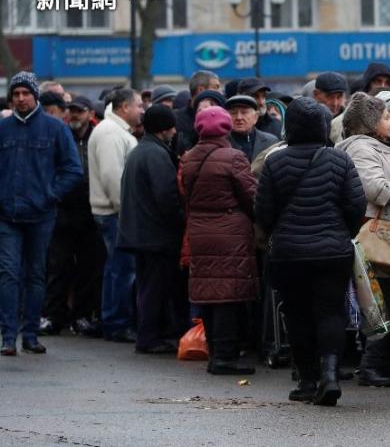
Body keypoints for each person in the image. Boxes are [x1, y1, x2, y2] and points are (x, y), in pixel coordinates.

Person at [256, 98, 366, 406]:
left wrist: (276, 232)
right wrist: (343, 232)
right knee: (331, 312)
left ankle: (306, 380)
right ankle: (330, 374)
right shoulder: (340, 160)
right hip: (333, 251)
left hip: (289, 253)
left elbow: (263, 211)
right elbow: (357, 205)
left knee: (298, 314)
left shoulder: (275, 162)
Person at [336, 92, 390, 387]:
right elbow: (376, 189)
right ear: (370, 123)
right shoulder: (361, 148)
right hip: (380, 234)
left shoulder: (379, 146)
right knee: (382, 305)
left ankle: (386, 364)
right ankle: (372, 366)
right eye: (385, 116)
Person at [0, 72, 83, 356]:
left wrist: (50, 195)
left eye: (25, 93)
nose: (21, 98)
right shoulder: (3, 128)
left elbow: (73, 169)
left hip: (41, 214)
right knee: (9, 274)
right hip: (7, 214)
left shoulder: (55, 129)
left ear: (35, 95)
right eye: (16, 94)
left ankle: (31, 334)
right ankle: (9, 336)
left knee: (36, 274)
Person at [180, 106, 259, 375]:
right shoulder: (234, 157)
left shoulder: (189, 158)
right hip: (230, 234)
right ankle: (226, 357)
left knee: (209, 295)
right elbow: (252, 197)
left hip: (200, 232)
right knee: (227, 294)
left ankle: (215, 355)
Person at [117, 105, 188, 354]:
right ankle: (148, 338)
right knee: (155, 288)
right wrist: (181, 223)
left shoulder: (140, 151)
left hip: (140, 234)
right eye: (171, 127)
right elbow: (166, 197)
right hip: (155, 236)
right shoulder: (157, 155)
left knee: (147, 286)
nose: (175, 131)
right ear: (164, 129)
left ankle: (148, 334)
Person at [41, 96, 105, 338]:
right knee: (59, 265)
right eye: (72, 111)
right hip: (63, 208)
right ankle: (53, 316)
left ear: (90, 114)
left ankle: (81, 316)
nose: (75, 115)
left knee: (89, 265)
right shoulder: (61, 134)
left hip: (91, 208)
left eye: (80, 111)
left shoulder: (97, 136)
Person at [88, 88, 144, 343]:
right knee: (121, 270)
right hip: (114, 213)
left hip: (113, 212)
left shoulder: (114, 131)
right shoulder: (111, 133)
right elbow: (113, 177)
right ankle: (117, 323)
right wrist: (126, 211)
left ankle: (115, 321)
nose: (142, 110)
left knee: (117, 269)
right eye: (138, 106)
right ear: (124, 108)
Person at [174, 70, 221, 157]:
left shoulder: (221, 117)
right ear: (201, 90)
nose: (220, 92)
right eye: (216, 87)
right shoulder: (175, 119)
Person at [225, 95, 279, 162]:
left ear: (256, 117)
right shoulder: (222, 142)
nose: (239, 117)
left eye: (244, 112)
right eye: (233, 113)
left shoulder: (270, 142)